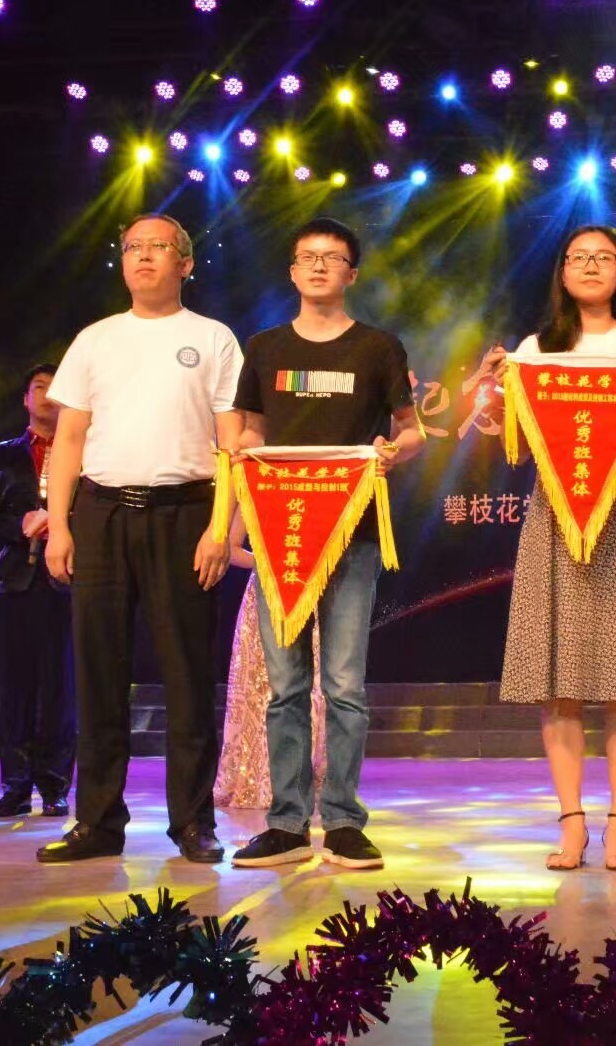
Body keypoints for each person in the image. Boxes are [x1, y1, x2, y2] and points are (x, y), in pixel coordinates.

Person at [484, 224, 616, 872]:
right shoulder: (536, 349)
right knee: (561, 683)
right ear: (563, 272)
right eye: (579, 257)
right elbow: (516, 446)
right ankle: (571, 822)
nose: (592, 266)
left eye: (605, 257)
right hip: (557, 517)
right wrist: (495, 391)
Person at [39, 212, 242, 864]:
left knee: (187, 675)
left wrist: (220, 528)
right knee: (99, 672)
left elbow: (232, 445)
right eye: (133, 247)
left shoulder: (212, 338)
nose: (144, 256)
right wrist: (59, 525)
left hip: (185, 515)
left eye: (159, 247)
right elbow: (69, 440)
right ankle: (98, 821)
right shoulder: (95, 339)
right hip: (101, 515)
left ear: (186, 263)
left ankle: (193, 822)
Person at [229, 217, 423, 871]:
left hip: (352, 531)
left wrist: (392, 451)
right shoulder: (263, 348)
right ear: (292, 271)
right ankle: (286, 824)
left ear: (351, 273)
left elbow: (411, 430)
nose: (318, 266)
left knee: (344, 685)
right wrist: (243, 454)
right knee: (285, 687)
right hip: (280, 534)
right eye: (307, 256)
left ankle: (342, 821)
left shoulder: (378, 347)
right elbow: (251, 432)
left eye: (332, 258)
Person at [0, 363, 76, 819]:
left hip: (67, 580)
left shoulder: (84, 453)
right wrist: (20, 524)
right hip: (15, 582)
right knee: (16, 689)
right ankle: (15, 786)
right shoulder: (0, 456)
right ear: (25, 399)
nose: (47, 394)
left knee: (59, 687)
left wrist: (65, 526)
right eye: (39, 387)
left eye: (56, 387)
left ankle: (54, 785)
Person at [213, 537, 327, 809]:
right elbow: (230, 548)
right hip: (268, 592)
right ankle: (266, 781)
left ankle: (303, 779)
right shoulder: (251, 503)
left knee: (312, 687)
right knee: (265, 689)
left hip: (309, 588)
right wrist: (268, 561)